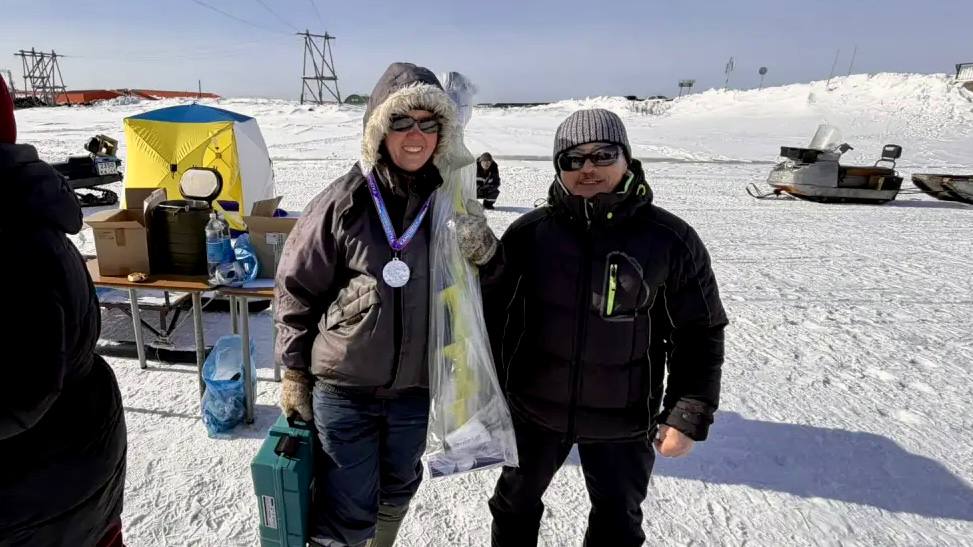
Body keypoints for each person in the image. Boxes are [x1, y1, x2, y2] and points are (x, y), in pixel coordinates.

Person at [457, 109, 728, 546]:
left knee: (618, 518)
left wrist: (688, 411)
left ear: (626, 159)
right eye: (572, 159)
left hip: (623, 419)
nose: (588, 168)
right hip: (533, 412)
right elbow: (493, 312)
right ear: (558, 169)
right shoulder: (530, 234)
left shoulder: (670, 239)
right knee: (513, 504)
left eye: (603, 154)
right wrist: (488, 265)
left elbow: (699, 331)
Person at [275, 62, 462, 547]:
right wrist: (295, 372)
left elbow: (480, 294)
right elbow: (296, 288)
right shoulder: (345, 201)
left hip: (414, 389)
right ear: (379, 128)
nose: (415, 135)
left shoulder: (448, 206)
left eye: (428, 122)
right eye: (402, 122)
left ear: (442, 133)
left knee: (398, 490)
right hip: (344, 388)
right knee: (348, 507)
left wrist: (488, 253)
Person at [0, 78, 127, 546]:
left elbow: (18, 392)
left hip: (40, 496)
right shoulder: (30, 223)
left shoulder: (17, 245)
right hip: (70, 476)